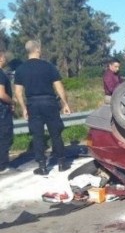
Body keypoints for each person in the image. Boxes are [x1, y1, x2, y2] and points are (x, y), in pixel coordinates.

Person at [14, 40, 72, 175]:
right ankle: (62, 163)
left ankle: (42, 166)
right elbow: (59, 87)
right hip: (49, 102)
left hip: (33, 104)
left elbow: (18, 92)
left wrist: (23, 108)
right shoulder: (48, 66)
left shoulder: (20, 69)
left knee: (37, 135)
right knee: (55, 133)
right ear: (38, 49)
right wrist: (65, 104)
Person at [0, 51, 14, 174]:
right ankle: (3, 165)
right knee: (5, 137)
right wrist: (12, 102)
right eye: (4, 57)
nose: (5, 59)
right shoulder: (1, 74)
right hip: (2, 112)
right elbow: (1, 94)